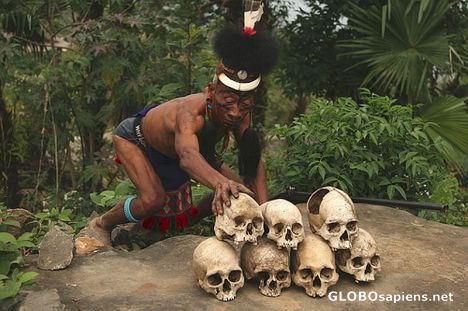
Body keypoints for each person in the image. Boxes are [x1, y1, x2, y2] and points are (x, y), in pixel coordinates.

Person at [88, 23, 279, 246]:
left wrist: (265, 211)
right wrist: (220, 182)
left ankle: (149, 229)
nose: (235, 113)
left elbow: (253, 161)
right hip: (137, 138)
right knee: (152, 200)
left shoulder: (240, 113)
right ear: (211, 91)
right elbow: (188, 157)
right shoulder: (191, 113)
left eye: (244, 105)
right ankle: (103, 224)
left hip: (185, 149)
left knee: (244, 196)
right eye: (227, 104)